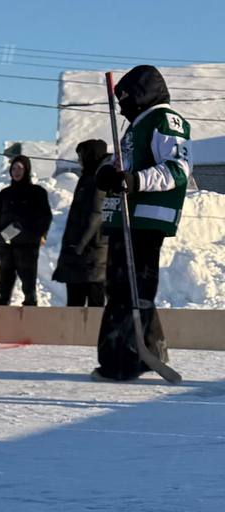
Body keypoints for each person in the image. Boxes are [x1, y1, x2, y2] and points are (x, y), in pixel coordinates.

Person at [93, 65, 192, 381]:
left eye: (125, 98)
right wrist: (109, 173)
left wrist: (133, 181)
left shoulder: (165, 120)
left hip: (146, 220)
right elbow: (124, 167)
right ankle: (148, 350)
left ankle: (122, 360)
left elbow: (177, 170)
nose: (121, 106)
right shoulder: (136, 126)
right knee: (125, 289)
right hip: (126, 219)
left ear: (141, 93)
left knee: (130, 291)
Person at [52, 139, 110, 307]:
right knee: (75, 305)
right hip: (82, 255)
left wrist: (77, 246)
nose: (79, 160)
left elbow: (95, 215)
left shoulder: (98, 178)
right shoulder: (87, 178)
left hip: (91, 254)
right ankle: (76, 334)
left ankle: (94, 334)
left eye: (81, 156)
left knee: (94, 304)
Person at [0, 155, 52, 307]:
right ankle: (1, 309)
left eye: (20, 168)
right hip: (6, 243)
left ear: (27, 170)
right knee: (4, 280)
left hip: (27, 244)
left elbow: (45, 216)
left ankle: (30, 308)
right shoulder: (4, 194)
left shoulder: (37, 192)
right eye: (14, 168)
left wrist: (41, 234)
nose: (16, 171)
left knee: (28, 282)